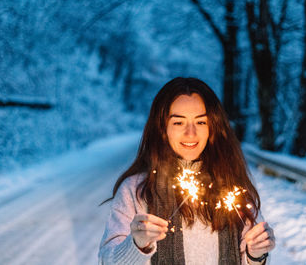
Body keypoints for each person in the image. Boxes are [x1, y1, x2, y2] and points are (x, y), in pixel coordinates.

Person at [98, 77, 275, 264]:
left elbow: (256, 259)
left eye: (200, 122)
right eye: (178, 123)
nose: (191, 133)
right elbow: (107, 261)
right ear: (162, 128)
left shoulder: (231, 187)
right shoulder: (136, 190)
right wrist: (137, 245)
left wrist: (257, 254)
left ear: (212, 127)